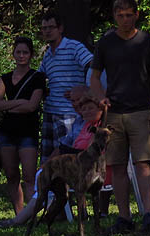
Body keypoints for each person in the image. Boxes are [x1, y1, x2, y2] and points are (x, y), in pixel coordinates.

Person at [90, 0, 150, 235]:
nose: (125, 19)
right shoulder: (106, 42)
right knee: (116, 166)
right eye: (120, 15)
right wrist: (100, 97)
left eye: (129, 15)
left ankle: (149, 215)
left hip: (140, 110)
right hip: (114, 112)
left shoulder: (148, 41)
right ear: (114, 16)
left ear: (137, 15)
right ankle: (124, 218)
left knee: (143, 164)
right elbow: (94, 77)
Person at [0, 94, 106, 228]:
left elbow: (91, 152)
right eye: (84, 109)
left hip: (88, 169)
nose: (87, 111)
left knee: (50, 180)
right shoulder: (81, 123)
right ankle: (45, 215)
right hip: (72, 164)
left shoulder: (100, 129)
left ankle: (21, 220)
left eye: (91, 108)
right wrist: (46, 163)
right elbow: (63, 145)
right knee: (44, 174)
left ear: (101, 109)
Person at [0, 36, 46, 215]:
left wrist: (11, 105)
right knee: (11, 175)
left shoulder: (37, 77)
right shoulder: (5, 78)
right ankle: (19, 213)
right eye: (18, 52)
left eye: (25, 52)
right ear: (13, 54)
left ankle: (33, 213)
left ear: (30, 55)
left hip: (28, 132)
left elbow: (33, 105)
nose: (21, 56)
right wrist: (20, 103)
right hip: (7, 132)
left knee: (30, 176)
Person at [39, 12, 94, 163]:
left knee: (67, 160)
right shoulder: (48, 54)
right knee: (48, 161)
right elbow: (38, 78)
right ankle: (48, 187)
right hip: (50, 112)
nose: (48, 31)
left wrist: (86, 89)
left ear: (60, 28)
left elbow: (94, 65)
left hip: (69, 113)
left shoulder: (74, 46)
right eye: (44, 28)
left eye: (51, 27)